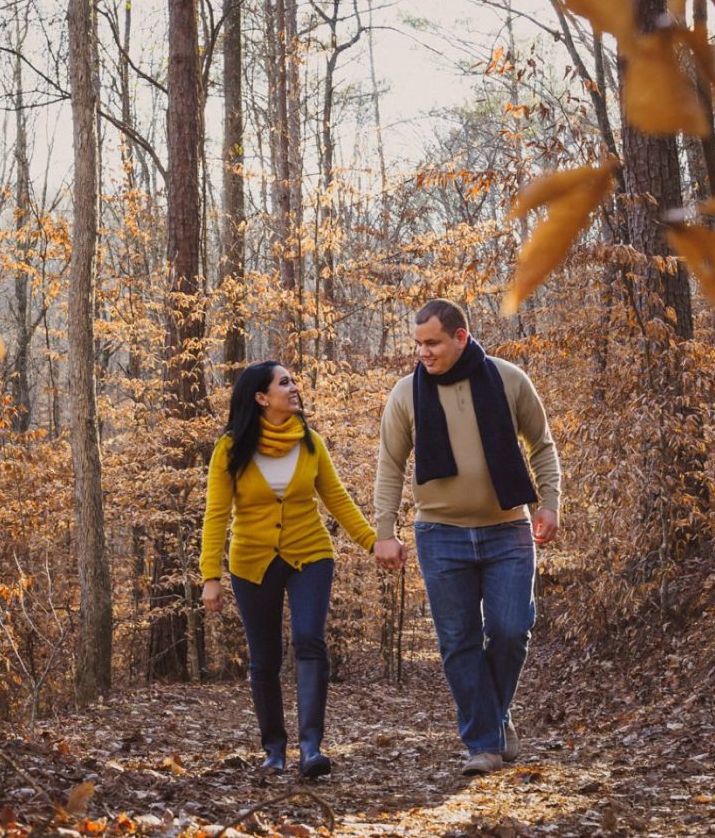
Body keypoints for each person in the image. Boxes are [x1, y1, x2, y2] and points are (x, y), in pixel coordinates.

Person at [373, 299, 560, 777]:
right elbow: (391, 465)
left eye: (432, 342)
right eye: (418, 344)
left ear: (461, 336)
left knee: (512, 630)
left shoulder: (508, 379)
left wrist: (550, 503)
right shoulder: (406, 394)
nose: (423, 353)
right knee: (458, 642)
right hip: (440, 534)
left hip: (507, 529)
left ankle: (494, 719)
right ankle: (484, 742)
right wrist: (384, 531)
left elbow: (541, 444)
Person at [201, 360, 376, 779]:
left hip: (309, 554)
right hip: (251, 562)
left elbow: (337, 500)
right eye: (285, 383)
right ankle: (274, 750)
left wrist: (374, 542)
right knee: (265, 659)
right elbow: (216, 514)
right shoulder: (231, 448)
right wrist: (211, 576)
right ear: (262, 398)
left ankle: (311, 747)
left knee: (309, 640)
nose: (294, 387)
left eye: (293, 380)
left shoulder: (310, 442)